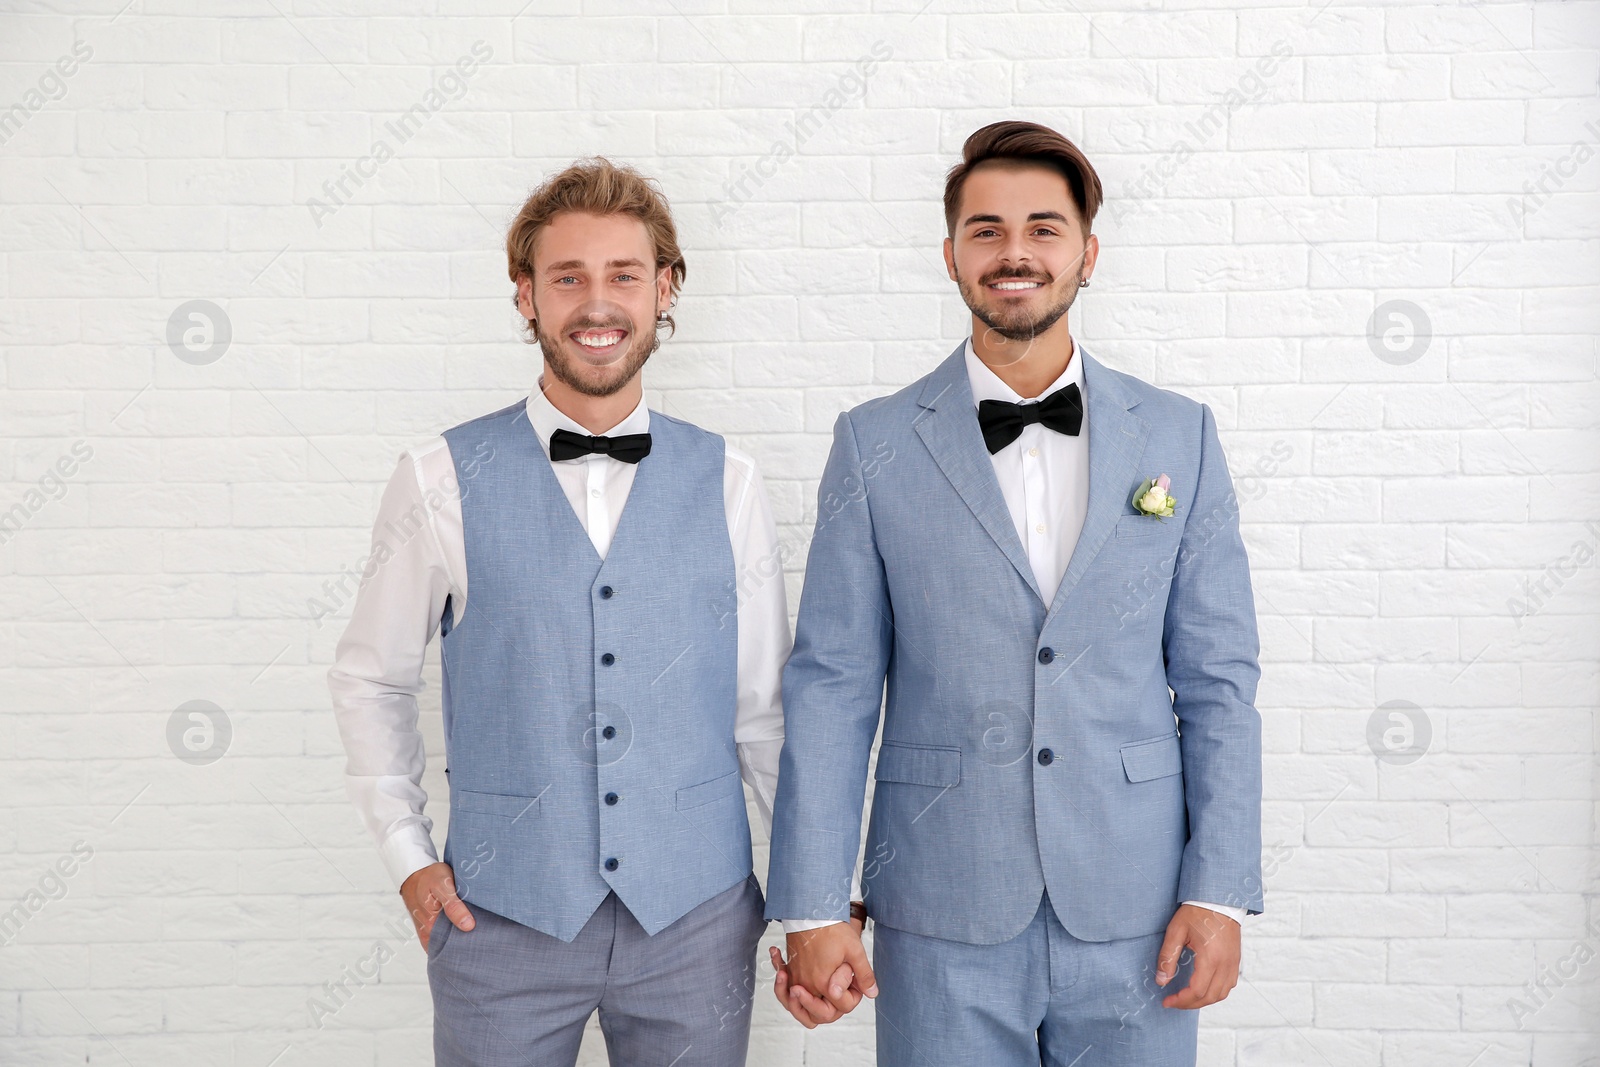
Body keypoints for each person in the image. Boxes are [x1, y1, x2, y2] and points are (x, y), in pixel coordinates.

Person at [765, 120, 1264, 1066]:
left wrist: (1221, 889)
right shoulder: (871, 445)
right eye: (986, 230)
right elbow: (831, 686)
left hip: (1139, 905)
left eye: (1044, 227)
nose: (1015, 252)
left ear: (1088, 253)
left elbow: (1219, 683)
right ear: (950, 255)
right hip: (939, 902)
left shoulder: (1179, 436)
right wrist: (814, 901)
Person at [328, 157, 790, 1067]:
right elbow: (371, 678)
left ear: (665, 289)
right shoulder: (438, 479)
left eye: (623, 274)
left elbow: (763, 711)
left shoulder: (731, 481)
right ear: (525, 296)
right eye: (566, 276)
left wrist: (812, 896)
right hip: (500, 920)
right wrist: (409, 859)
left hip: (696, 920)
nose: (596, 303)